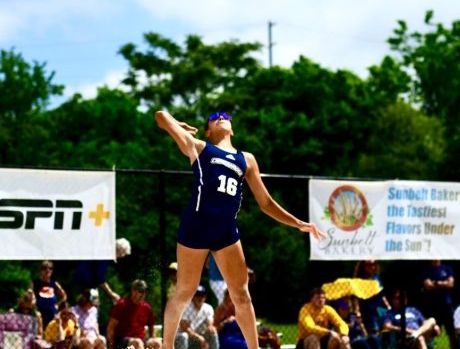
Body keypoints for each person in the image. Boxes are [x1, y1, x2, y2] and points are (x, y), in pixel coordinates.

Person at [155, 110, 326, 349]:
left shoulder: (246, 159)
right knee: (185, 289)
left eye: (225, 116)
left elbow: (266, 203)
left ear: (232, 129)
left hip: (226, 230)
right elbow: (160, 116)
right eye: (214, 116)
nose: (221, 117)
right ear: (207, 130)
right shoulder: (199, 147)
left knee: (242, 295)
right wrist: (177, 123)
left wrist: (298, 223)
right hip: (197, 224)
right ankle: (167, 346)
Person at [106, 279, 161, 349]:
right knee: (137, 342)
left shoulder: (147, 307)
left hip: (140, 338)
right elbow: (111, 327)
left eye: (144, 291)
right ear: (133, 291)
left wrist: (153, 339)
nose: (143, 294)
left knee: (157, 343)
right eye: (140, 291)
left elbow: (152, 327)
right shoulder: (122, 305)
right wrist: (111, 346)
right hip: (122, 340)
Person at [74, 237, 131, 304]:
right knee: (93, 305)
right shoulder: (105, 255)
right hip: (86, 282)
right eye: (122, 253)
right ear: (118, 250)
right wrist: (111, 293)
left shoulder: (104, 250)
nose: (122, 256)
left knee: (94, 304)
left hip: (86, 281)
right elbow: (100, 277)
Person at [420, 259, 456, 349]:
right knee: (431, 330)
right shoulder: (426, 270)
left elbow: (451, 284)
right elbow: (427, 285)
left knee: (451, 332)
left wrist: (436, 283)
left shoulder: (447, 268)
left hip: (446, 305)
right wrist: (444, 283)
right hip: (432, 306)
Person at [352, 260, 390, 335]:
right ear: (363, 266)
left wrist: (388, 306)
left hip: (380, 309)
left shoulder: (377, 278)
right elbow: (356, 297)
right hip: (368, 311)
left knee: (386, 330)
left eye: (374, 264)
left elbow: (381, 294)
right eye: (368, 265)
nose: (372, 267)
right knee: (374, 331)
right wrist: (357, 311)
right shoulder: (359, 280)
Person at [31, 260, 68, 327]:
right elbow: (29, 296)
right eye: (45, 268)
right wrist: (34, 308)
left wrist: (57, 305)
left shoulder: (54, 283)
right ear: (41, 270)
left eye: (50, 268)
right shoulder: (35, 283)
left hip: (52, 313)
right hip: (39, 314)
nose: (48, 270)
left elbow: (64, 296)